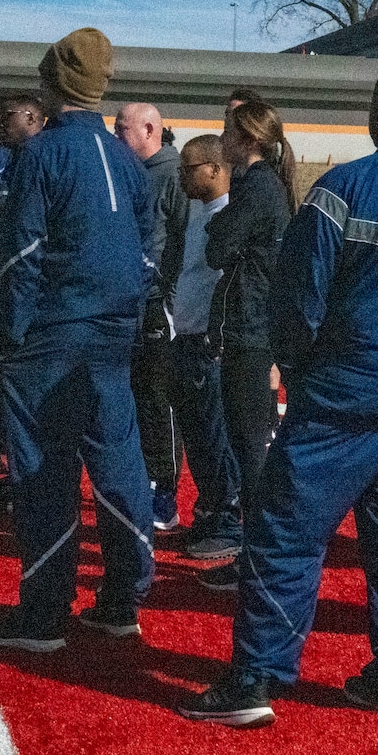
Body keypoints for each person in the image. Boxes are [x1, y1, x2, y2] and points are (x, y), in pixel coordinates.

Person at [180, 63, 378, 727]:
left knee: (285, 534)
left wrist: (300, 372)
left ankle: (255, 677)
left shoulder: (343, 188)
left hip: (342, 401)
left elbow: (298, 298)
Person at [0, 28, 156, 652]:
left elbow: (23, 254)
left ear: (53, 82)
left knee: (44, 472)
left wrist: (9, 331)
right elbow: (147, 250)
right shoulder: (125, 160)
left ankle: (46, 611)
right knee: (117, 461)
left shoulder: (43, 154)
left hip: (52, 336)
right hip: (113, 335)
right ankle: (123, 597)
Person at [191, 99, 296, 593]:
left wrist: (220, 230)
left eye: (228, 131)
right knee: (249, 446)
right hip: (249, 325)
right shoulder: (263, 185)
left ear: (248, 139)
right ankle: (259, 558)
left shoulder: (256, 187)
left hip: (250, 329)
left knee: (250, 450)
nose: (222, 139)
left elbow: (218, 247)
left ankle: (258, 561)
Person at [159, 134, 237, 560]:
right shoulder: (196, 211)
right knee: (199, 439)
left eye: (188, 168)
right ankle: (209, 513)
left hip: (210, 345)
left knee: (215, 439)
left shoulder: (229, 215)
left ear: (215, 169)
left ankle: (227, 521)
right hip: (186, 336)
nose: (181, 177)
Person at [114, 101, 186, 532]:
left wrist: (171, 302)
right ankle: (143, 481)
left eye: (121, 128)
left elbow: (183, 241)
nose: (116, 136)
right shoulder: (130, 173)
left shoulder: (173, 174)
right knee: (135, 396)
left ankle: (165, 490)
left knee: (159, 400)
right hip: (132, 302)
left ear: (148, 129)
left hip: (159, 305)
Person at [0, 91, 46, 471]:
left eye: (8, 115)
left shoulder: (44, 158)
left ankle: (25, 460)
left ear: (32, 118)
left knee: (27, 375)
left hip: (35, 285)